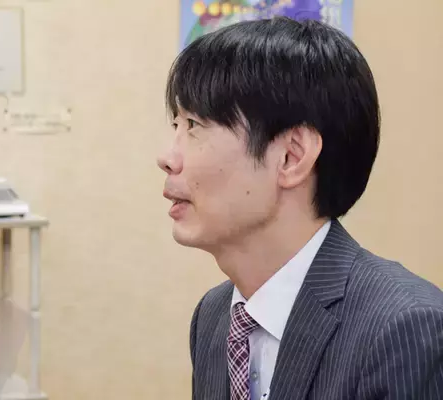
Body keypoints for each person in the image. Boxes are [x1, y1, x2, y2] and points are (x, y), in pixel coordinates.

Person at [157, 17, 443, 400]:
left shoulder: (404, 327)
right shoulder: (213, 317)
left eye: (194, 125)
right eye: (175, 125)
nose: (167, 158)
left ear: (292, 157)